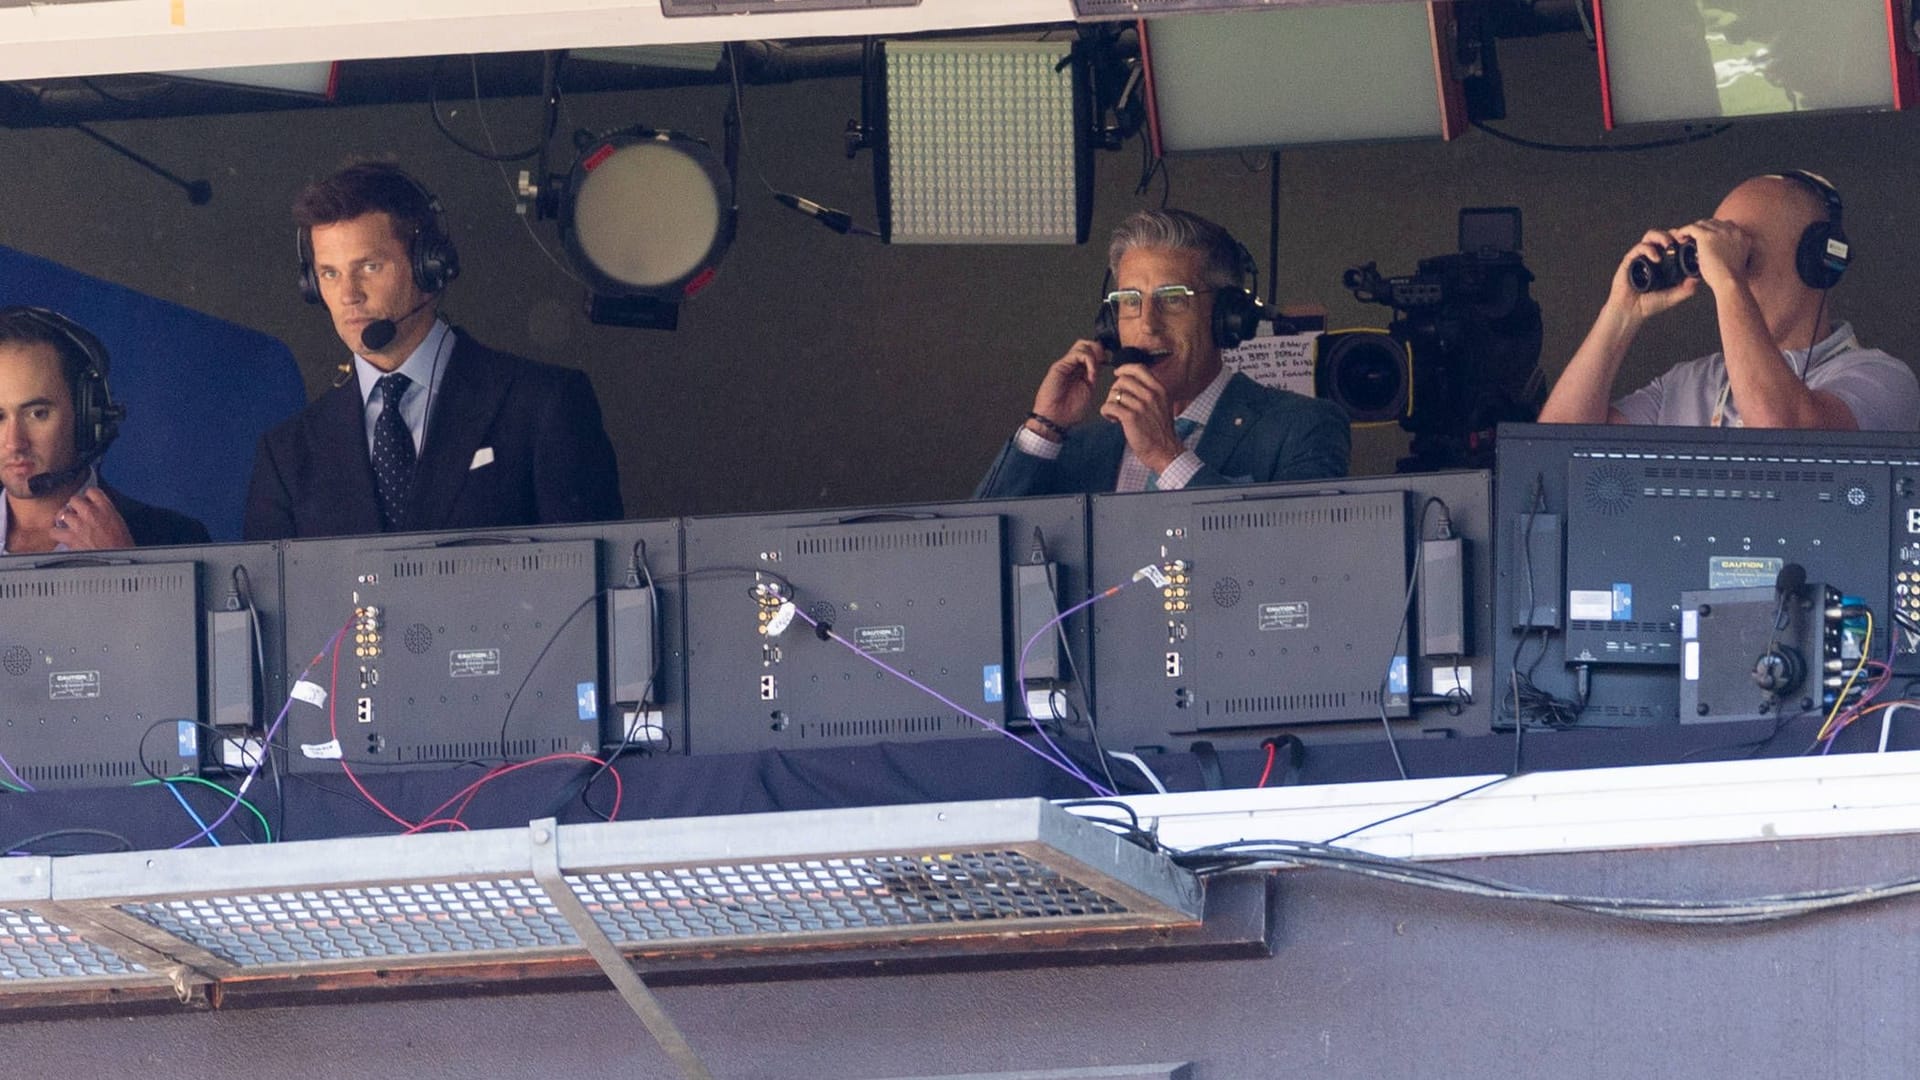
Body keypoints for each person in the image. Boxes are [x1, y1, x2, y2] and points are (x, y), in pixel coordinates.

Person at [244, 161, 623, 540]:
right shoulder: (287, 453)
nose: (348, 295)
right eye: (330, 273)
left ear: (430, 266)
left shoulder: (543, 406)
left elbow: (591, 580)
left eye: (370, 266)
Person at [976, 208, 1349, 498]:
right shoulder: (1077, 449)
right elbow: (977, 557)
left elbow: (1295, 557)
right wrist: (1044, 427)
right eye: (1129, 302)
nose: (1147, 325)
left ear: (1226, 318)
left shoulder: (1303, 427)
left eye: (1172, 300)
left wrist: (1167, 457)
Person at [1538, 171, 1919, 431]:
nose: (1720, 276)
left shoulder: (1881, 379)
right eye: (1713, 261)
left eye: (1743, 258)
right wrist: (1620, 314)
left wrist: (1728, 279)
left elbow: (1783, 436)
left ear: (1816, 264)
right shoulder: (1689, 384)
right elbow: (1556, 451)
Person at [0, 306, 209, 554]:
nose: (14, 441)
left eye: (37, 414)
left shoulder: (175, 537)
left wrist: (126, 566)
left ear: (87, 415)